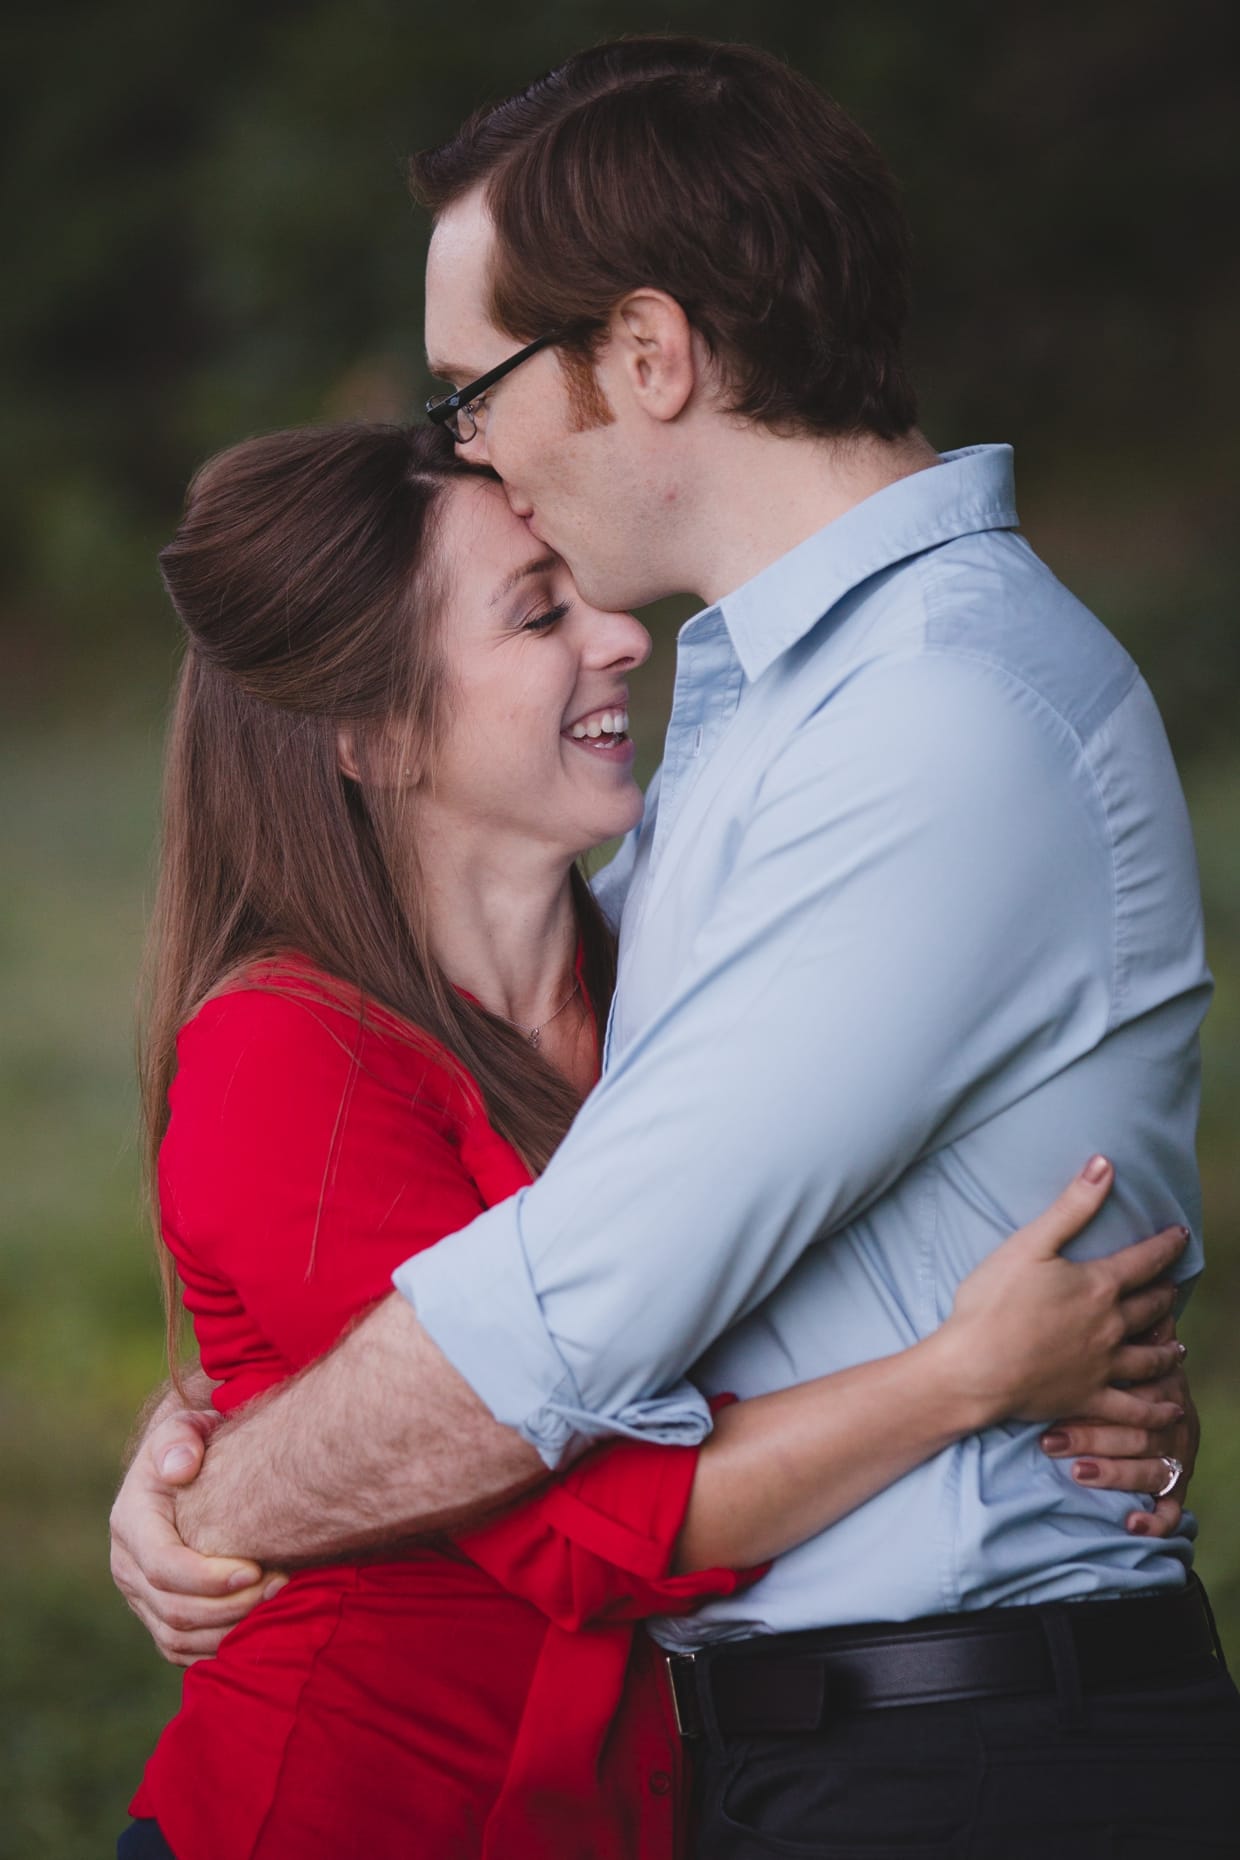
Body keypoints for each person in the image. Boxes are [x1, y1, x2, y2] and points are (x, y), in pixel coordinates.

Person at [112, 37, 1239, 1855]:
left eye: (471, 390)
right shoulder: (765, 712)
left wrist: (228, 1485)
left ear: (646, 356)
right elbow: (472, 1242)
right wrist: (223, 1410)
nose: (469, 446)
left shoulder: (929, 722)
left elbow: (565, 1317)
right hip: (809, 1745)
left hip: (957, 1755)